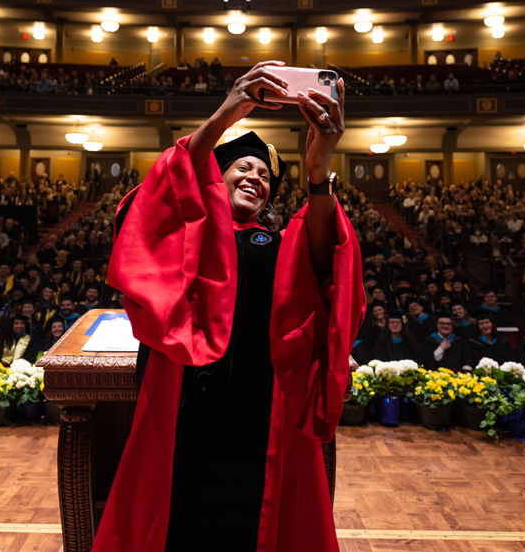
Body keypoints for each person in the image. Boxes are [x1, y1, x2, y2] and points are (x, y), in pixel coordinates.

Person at [92, 61, 364, 552]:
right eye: (243, 166)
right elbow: (150, 210)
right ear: (215, 175)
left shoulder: (282, 242)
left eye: (264, 175)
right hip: (183, 404)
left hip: (260, 416)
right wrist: (224, 115)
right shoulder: (188, 233)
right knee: (174, 522)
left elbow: (328, 264)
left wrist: (319, 169)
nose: (255, 177)